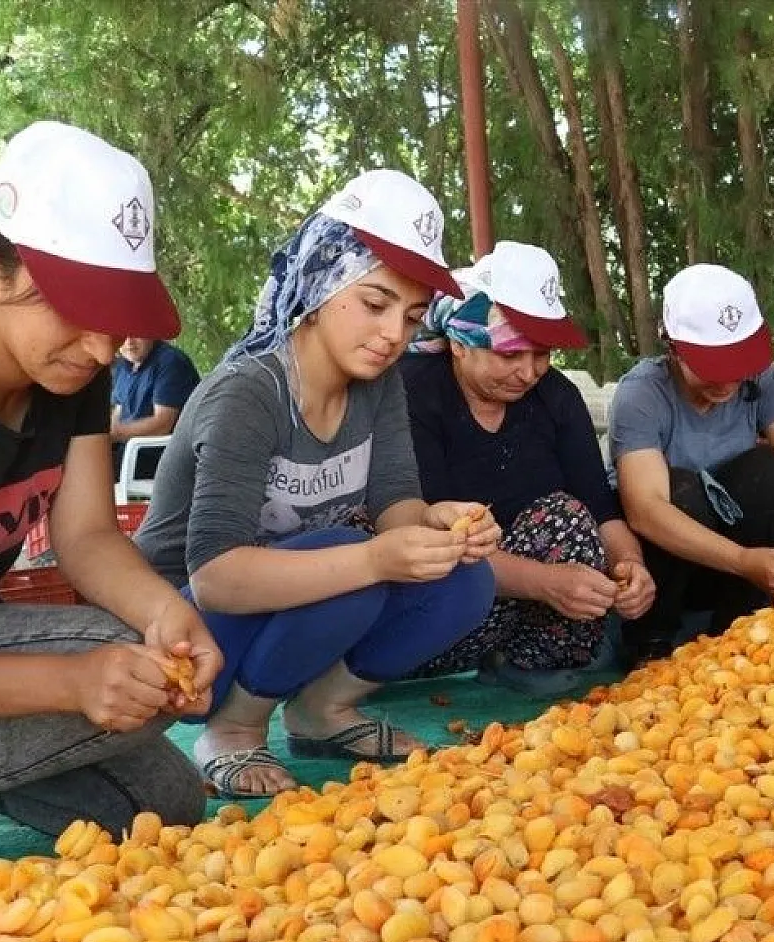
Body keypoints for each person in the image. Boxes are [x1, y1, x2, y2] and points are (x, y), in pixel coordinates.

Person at [0, 121, 215, 915]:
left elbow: (86, 538)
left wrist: (171, 614)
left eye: (118, 317)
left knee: (161, 805)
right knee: (107, 655)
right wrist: (70, 679)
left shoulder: (70, 372)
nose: (103, 347)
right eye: (78, 310)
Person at [135, 169, 500, 797]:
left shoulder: (379, 383)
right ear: (321, 282)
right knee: (347, 562)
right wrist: (373, 557)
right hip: (183, 642)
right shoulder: (249, 392)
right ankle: (231, 730)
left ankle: (321, 713)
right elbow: (215, 578)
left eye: (413, 317)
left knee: (464, 579)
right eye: (375, 303)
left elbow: (394, 504)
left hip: (286, 597)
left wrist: (437, 525)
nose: (393, 335)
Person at [400, 241, 655, 695]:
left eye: (541, 354)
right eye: (510, 355)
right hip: (433, 608)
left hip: (517, 614)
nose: (529, 372)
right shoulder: (414, 392)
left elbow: (600, 509)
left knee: (570, 520)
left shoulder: (556, 398)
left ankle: (526, 663)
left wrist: (631, 567)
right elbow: (421, 536)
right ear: (460, 344)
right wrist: (544, 583)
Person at [608, 263, 774, 663]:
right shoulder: (642, 394)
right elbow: (644, 509)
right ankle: (652, 642)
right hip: (668, 570)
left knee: (769, 469)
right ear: (674, 348)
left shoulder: (761, 379)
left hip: (739, 567)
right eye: (714, 367)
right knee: (682, 492)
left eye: (738, 365)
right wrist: (742, 560)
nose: (729, 382)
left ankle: (740, 626)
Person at [109, 335, 200, 477]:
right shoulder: (124, 365)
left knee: (84, 470)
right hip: (128, 451)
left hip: (160, 456)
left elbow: (163, 424)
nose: (129, 342)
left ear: (151, 331)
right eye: (122, 334)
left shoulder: (170, 362)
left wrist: (115, 434)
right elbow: (119, 413)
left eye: (136, 332)